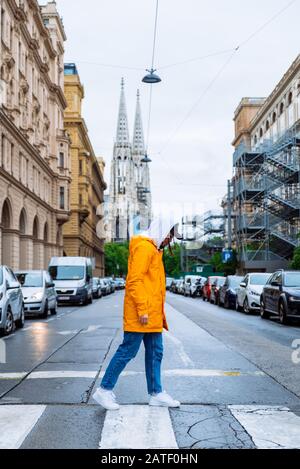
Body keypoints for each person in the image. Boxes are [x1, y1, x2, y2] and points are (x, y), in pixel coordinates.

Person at [93, 217, 180, 410]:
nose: (170, 241)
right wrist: (142, 309)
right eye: (169, 236)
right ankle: (104, 390)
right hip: (142, 313)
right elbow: (134, 281)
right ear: (161, 231)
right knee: (128, 350)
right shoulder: (145, 248)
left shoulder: (154, 250)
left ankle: (156, 393)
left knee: (156, 352)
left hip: (152, 314)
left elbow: (151, 285)